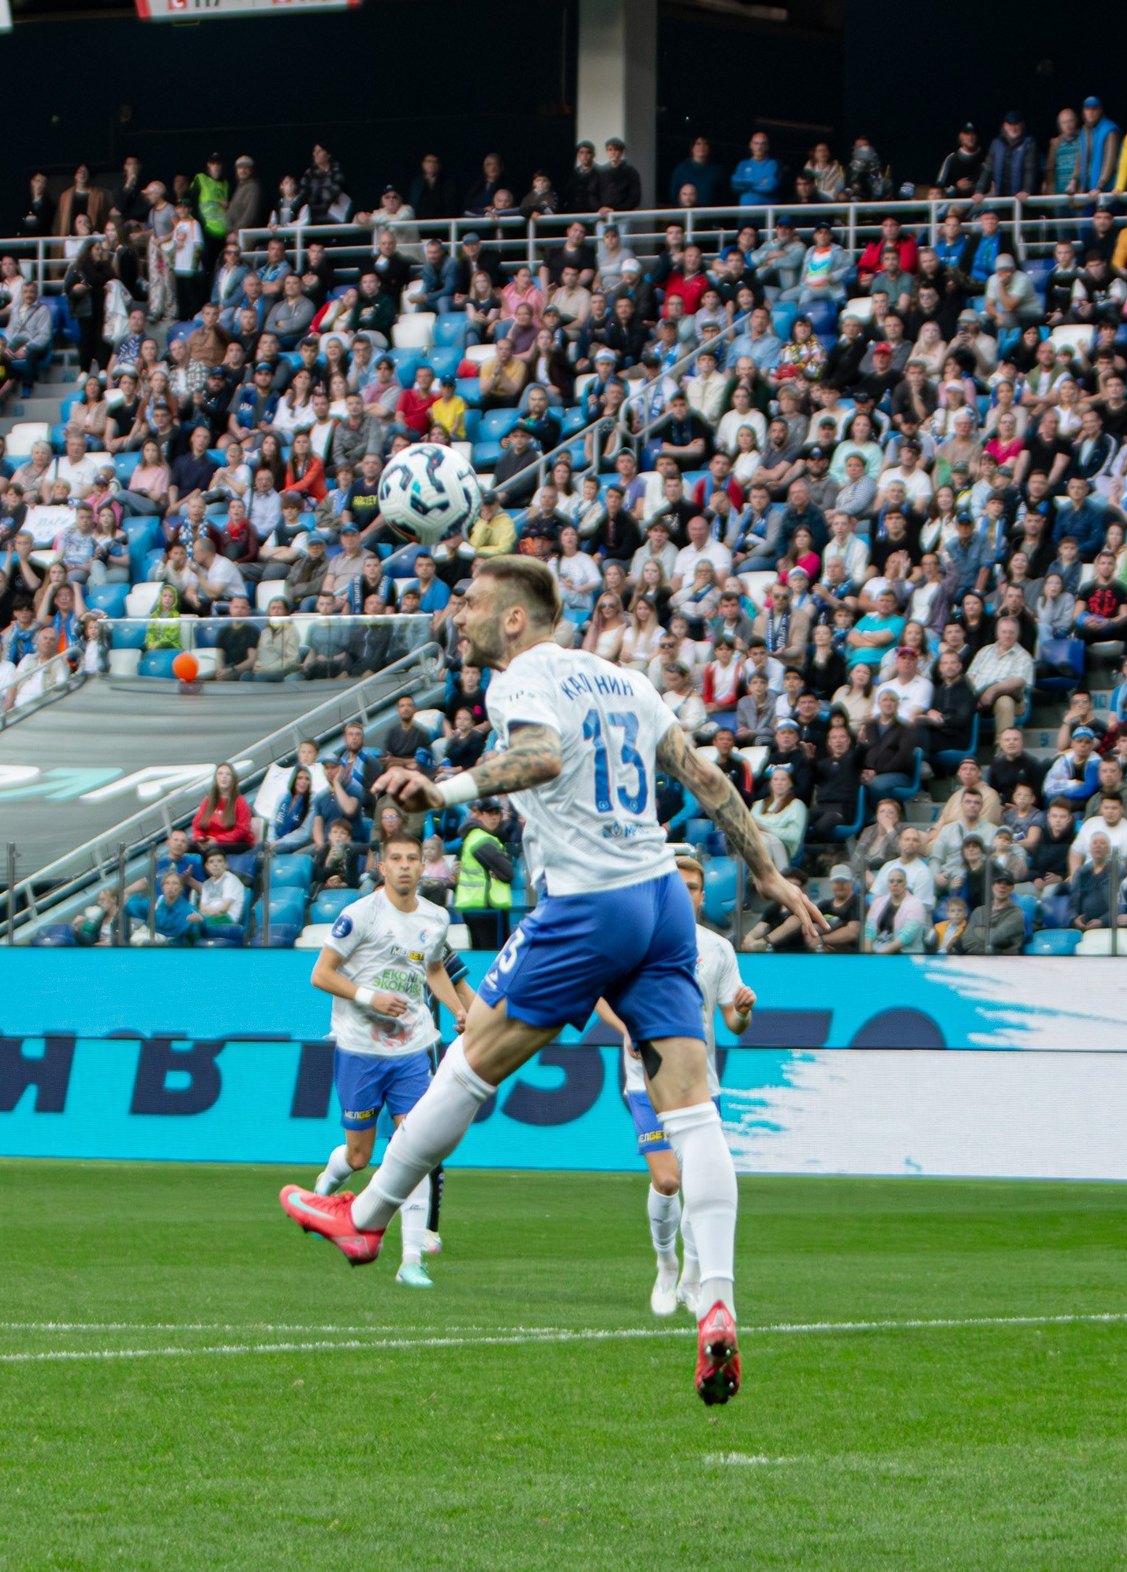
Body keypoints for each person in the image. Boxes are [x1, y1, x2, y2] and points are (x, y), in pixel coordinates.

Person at [282, 557, 825, 1405]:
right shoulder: (623, 679)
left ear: (513, 619)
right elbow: (709, 780)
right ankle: (715, 1302)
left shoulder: (524, 678)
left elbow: (540, 754)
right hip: (661, 905)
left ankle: (367, 1216)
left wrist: (446, 785)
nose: (458, 615)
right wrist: (768, 873)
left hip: (590, 905)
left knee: (469, 1058)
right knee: (693, 1108)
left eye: (472, 603)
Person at [305, 828, 474, 1289]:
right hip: (360, 1048)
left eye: (412, 858)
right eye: (395, 858)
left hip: (412, 1049)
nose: (404, 865)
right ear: (382, 866)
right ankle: (324, 1190)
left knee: (413, 1148)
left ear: (424, 866)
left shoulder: (436, 917)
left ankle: (411, 1259)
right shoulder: (360, 914)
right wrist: (369, 997)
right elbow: (321, 974)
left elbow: (434, 967)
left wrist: (460, 1010)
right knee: (359, 1156)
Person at [595, 853, 753, 1317]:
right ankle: (666, 1267)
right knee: (668, 1181)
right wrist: (626, 1028)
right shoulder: (635, 942)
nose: (684, 894)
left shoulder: (718, 949)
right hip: (645, 1081)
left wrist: (742, 1010)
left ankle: (690, 1279)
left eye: (692, 887)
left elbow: (732, 1023)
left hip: (701, 1087)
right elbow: (599, 994)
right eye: (676, 885)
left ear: (702, 897)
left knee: (700, 1184)